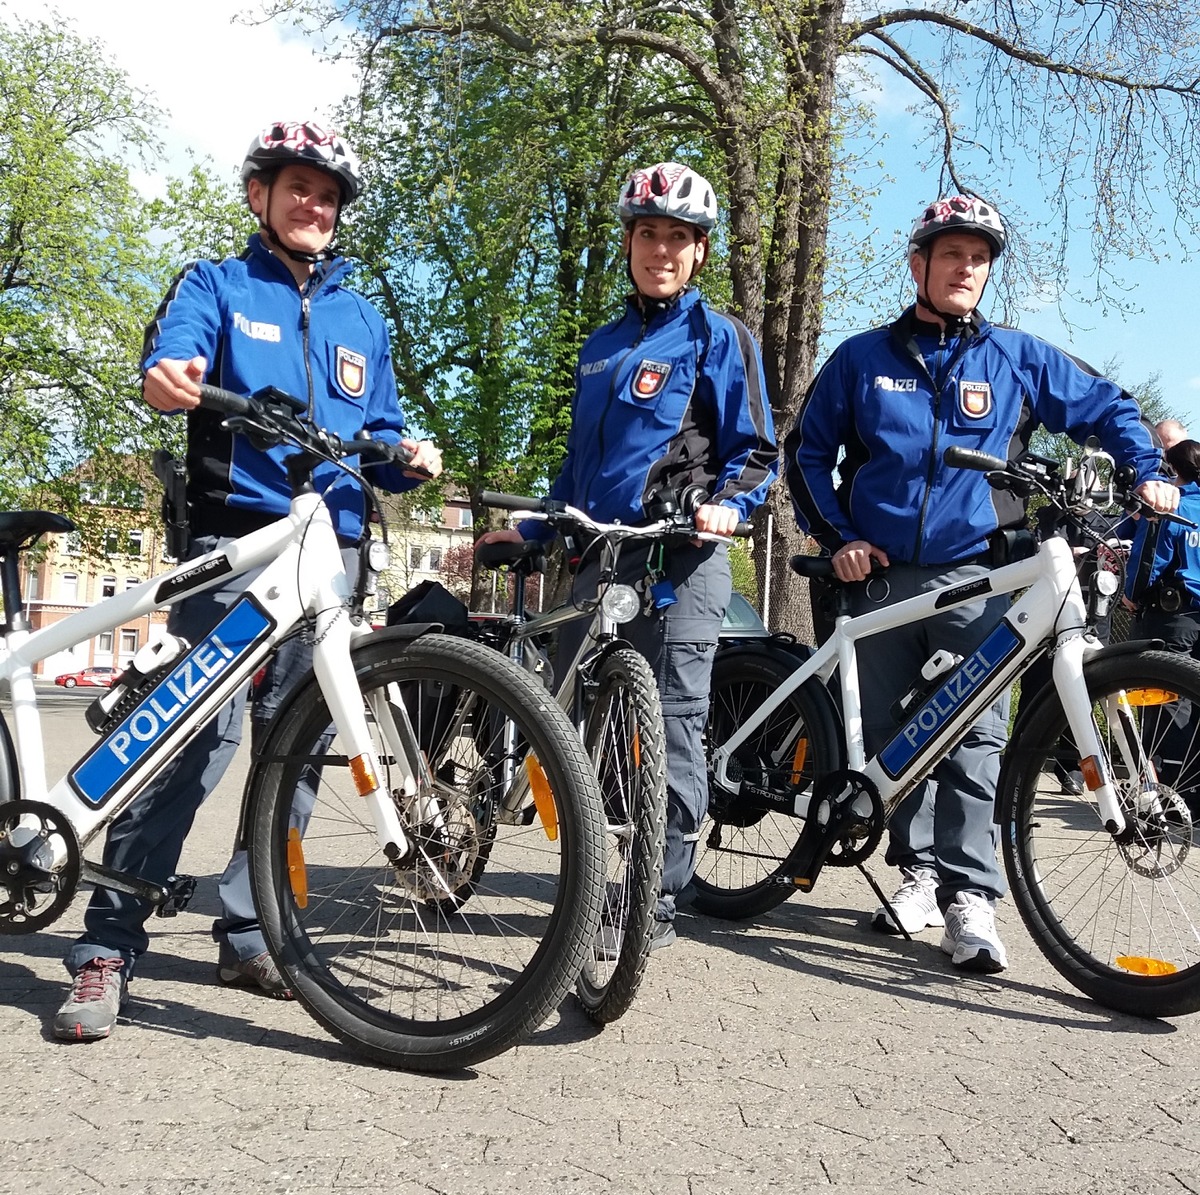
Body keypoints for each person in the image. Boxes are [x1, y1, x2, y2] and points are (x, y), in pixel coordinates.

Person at [54, 121, 443, 1041]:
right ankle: (108, 941)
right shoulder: (216, 284)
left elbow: (378, 433)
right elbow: (171, 359)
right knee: (189, 742)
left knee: (301, 752)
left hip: (332, 558)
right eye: (296, 188)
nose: (314, 206)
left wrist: (406, 455)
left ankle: (250, 924)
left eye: (328, 194)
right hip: (239, 546)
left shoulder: (363, 315)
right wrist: (170, 375)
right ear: (260, 196)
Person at [785, 195, 1176, 974]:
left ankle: (972, 897)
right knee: (899, 736)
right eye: (951, 254)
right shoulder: (862, 359)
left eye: (979, 258)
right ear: (919, 264)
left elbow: (1102, 405)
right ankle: (920, 874)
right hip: (884, 576)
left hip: (978, 571)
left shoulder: (1016, 356)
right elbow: (807, 453)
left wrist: (1148, 469)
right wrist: (840, 540)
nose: (966, 269)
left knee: (972, 732)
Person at [478, 162, 778, 950]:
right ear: (630, 242)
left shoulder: (722, 339)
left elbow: (756, 453)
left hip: (679, 560)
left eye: (679, 238)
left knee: (672, 724)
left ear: (700, 252)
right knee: (574, 724)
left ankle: (656, 897)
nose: (663, 250)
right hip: (596, 561)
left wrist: (727, 508)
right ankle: (591, 878)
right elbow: (579, 471)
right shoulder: (602, 347)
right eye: (649, 234)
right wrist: (538, 530)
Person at [1125, 438, 1200, 813]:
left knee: (1164, 702)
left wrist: (1131, 594)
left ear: (1171, 470)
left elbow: (1148, 559)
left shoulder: (1172, 508)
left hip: (1172, 618)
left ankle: (1168, 797)